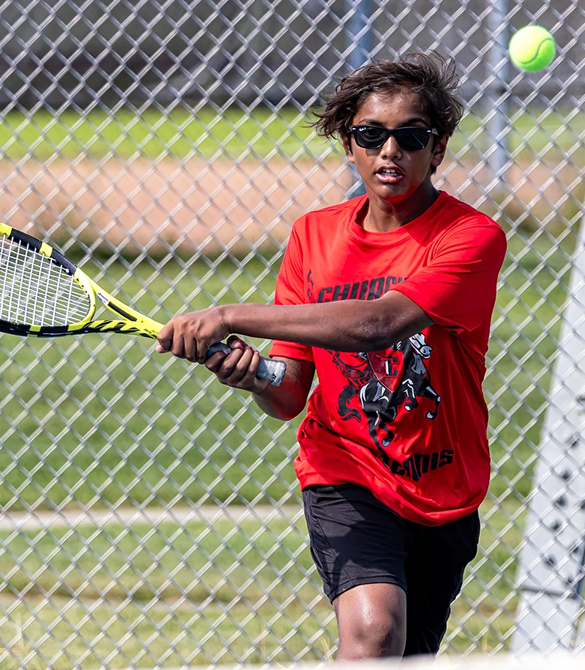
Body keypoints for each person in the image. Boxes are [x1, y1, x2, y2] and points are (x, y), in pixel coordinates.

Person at [156, 51, 506, 659]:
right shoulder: (314, 236)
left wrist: (228, 315)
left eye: (410, 136)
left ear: (439, 148)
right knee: (373, 634)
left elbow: (379, 323)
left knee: (409, 651)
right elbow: (290, 392)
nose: (389, 152)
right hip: (345, 470)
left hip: (443, 484)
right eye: (371, 135)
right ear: (350, 144)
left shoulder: (470, 238)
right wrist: (250, 375)